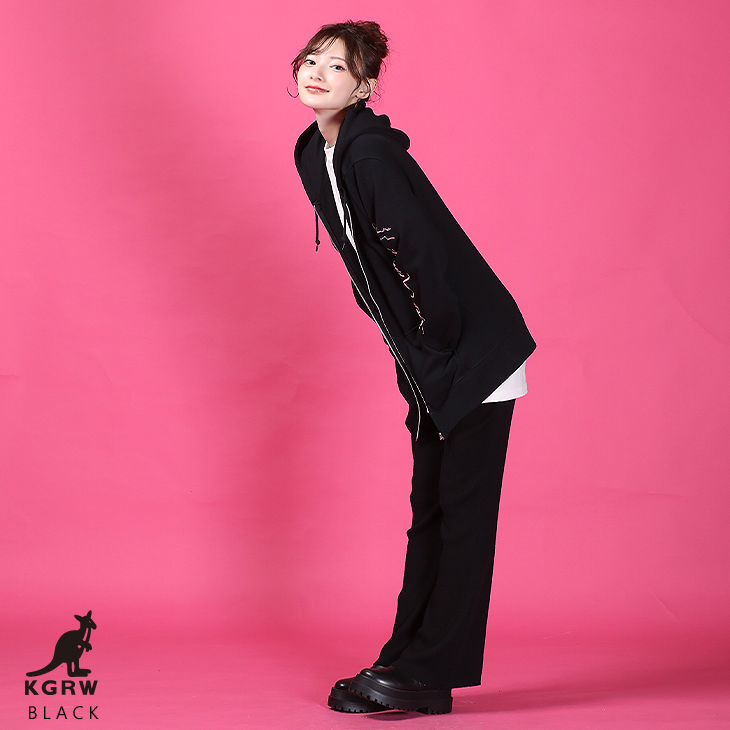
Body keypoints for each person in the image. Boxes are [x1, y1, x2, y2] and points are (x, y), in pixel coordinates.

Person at [292, 20, 536, 715]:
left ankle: (432, 672)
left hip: (472, 351)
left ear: (363, 87)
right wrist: (416, 356)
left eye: (337, 68)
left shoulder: (369, 155)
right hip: (429, 356)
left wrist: (435, 343)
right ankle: (406, 657)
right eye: (311, 60)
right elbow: (368, 266)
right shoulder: (316, 151)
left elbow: (422, 255)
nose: (317, 74)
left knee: (462, 518)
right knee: (428, 511)